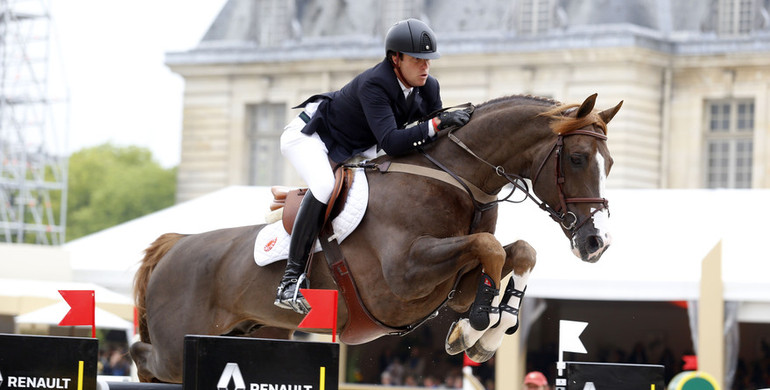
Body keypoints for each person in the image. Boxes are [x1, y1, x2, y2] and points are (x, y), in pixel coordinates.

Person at [275, 18, 471, 314]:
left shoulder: (428, 86)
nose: (425, 67)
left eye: (428, 60)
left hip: (354, 149)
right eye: (417, 60)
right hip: (311, 138)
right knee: (325, 186)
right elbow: (393, 141)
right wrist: (436, 123)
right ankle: (290, 282)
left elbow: (435, 136)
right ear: (396, 58)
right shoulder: (375, 83)